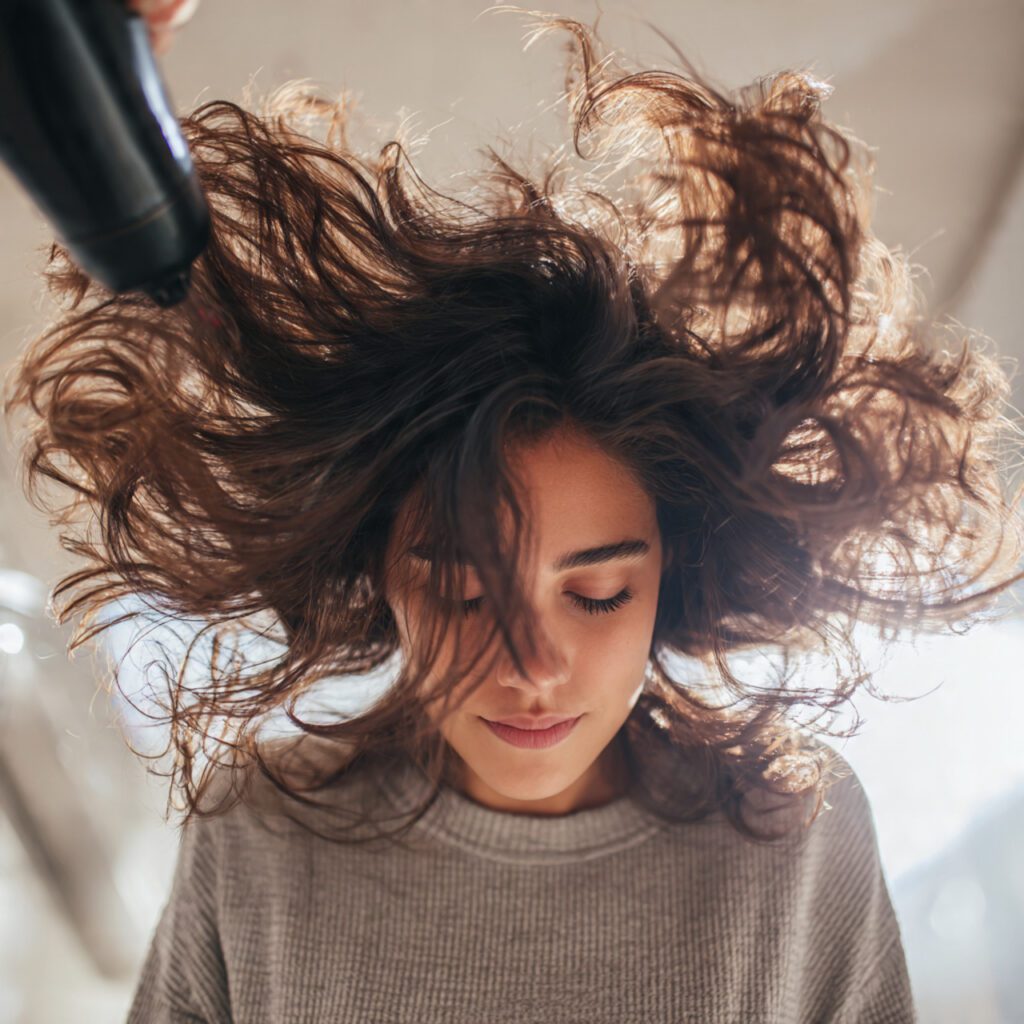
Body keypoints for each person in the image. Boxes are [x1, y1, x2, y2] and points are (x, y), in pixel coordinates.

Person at [5, 6, 1024, 1022]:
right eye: (460, 587)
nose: (531, 666)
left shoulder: (792, 836)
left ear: (674, 573)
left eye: (596, 593)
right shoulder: (260, 830)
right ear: (381, 573)